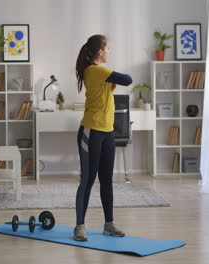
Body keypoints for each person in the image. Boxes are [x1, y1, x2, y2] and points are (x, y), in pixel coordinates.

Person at [74, 35, 133, 241]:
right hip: (91, 131)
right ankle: (79, 226)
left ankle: (109, 224)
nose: (110, 52)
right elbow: (127, 79)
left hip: (108, 132)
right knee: (88, 180)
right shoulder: (95, 70)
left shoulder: (102, 72)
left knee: (106, 180)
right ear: (100, 51)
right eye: (108, 49)